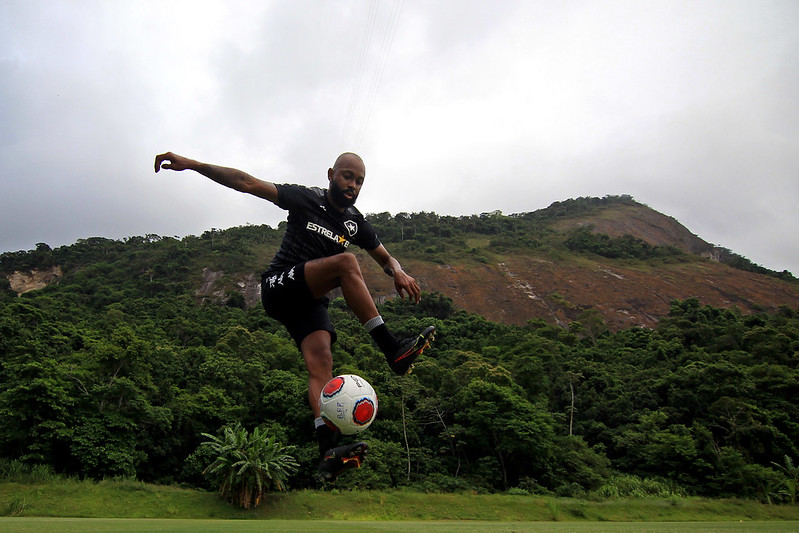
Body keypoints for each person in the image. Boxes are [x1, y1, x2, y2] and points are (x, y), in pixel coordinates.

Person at [154, 151, 435, 481]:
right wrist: (194, 165)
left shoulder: (355, 222)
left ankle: (327, 450)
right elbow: (246, 183)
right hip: (279, 286)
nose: (353, 185)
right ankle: (392, 349)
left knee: (322, 363)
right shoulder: (306, 199)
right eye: (347, 176)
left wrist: (398, 271)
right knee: (346, 263)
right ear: (330, 174)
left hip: (310, 301)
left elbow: (386, 258)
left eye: (359, 181)